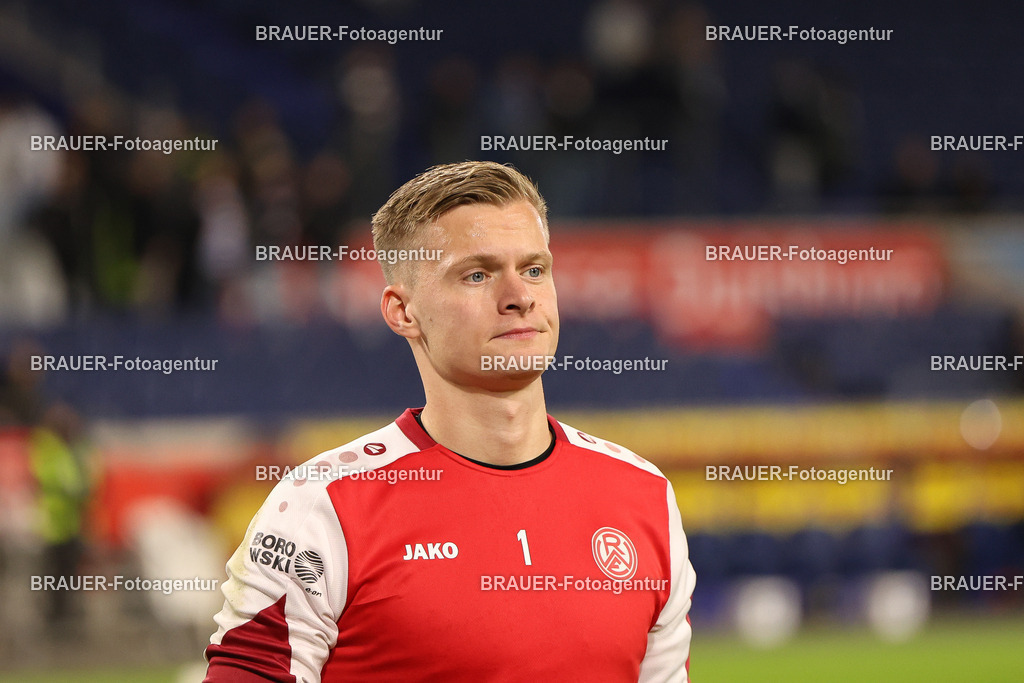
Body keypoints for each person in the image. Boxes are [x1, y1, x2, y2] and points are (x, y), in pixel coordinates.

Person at [203, 161, 695, 681]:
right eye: (477, 274)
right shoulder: (322, 507)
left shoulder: (644, 496)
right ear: (402, 312)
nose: (519, 296)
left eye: (534, 269)